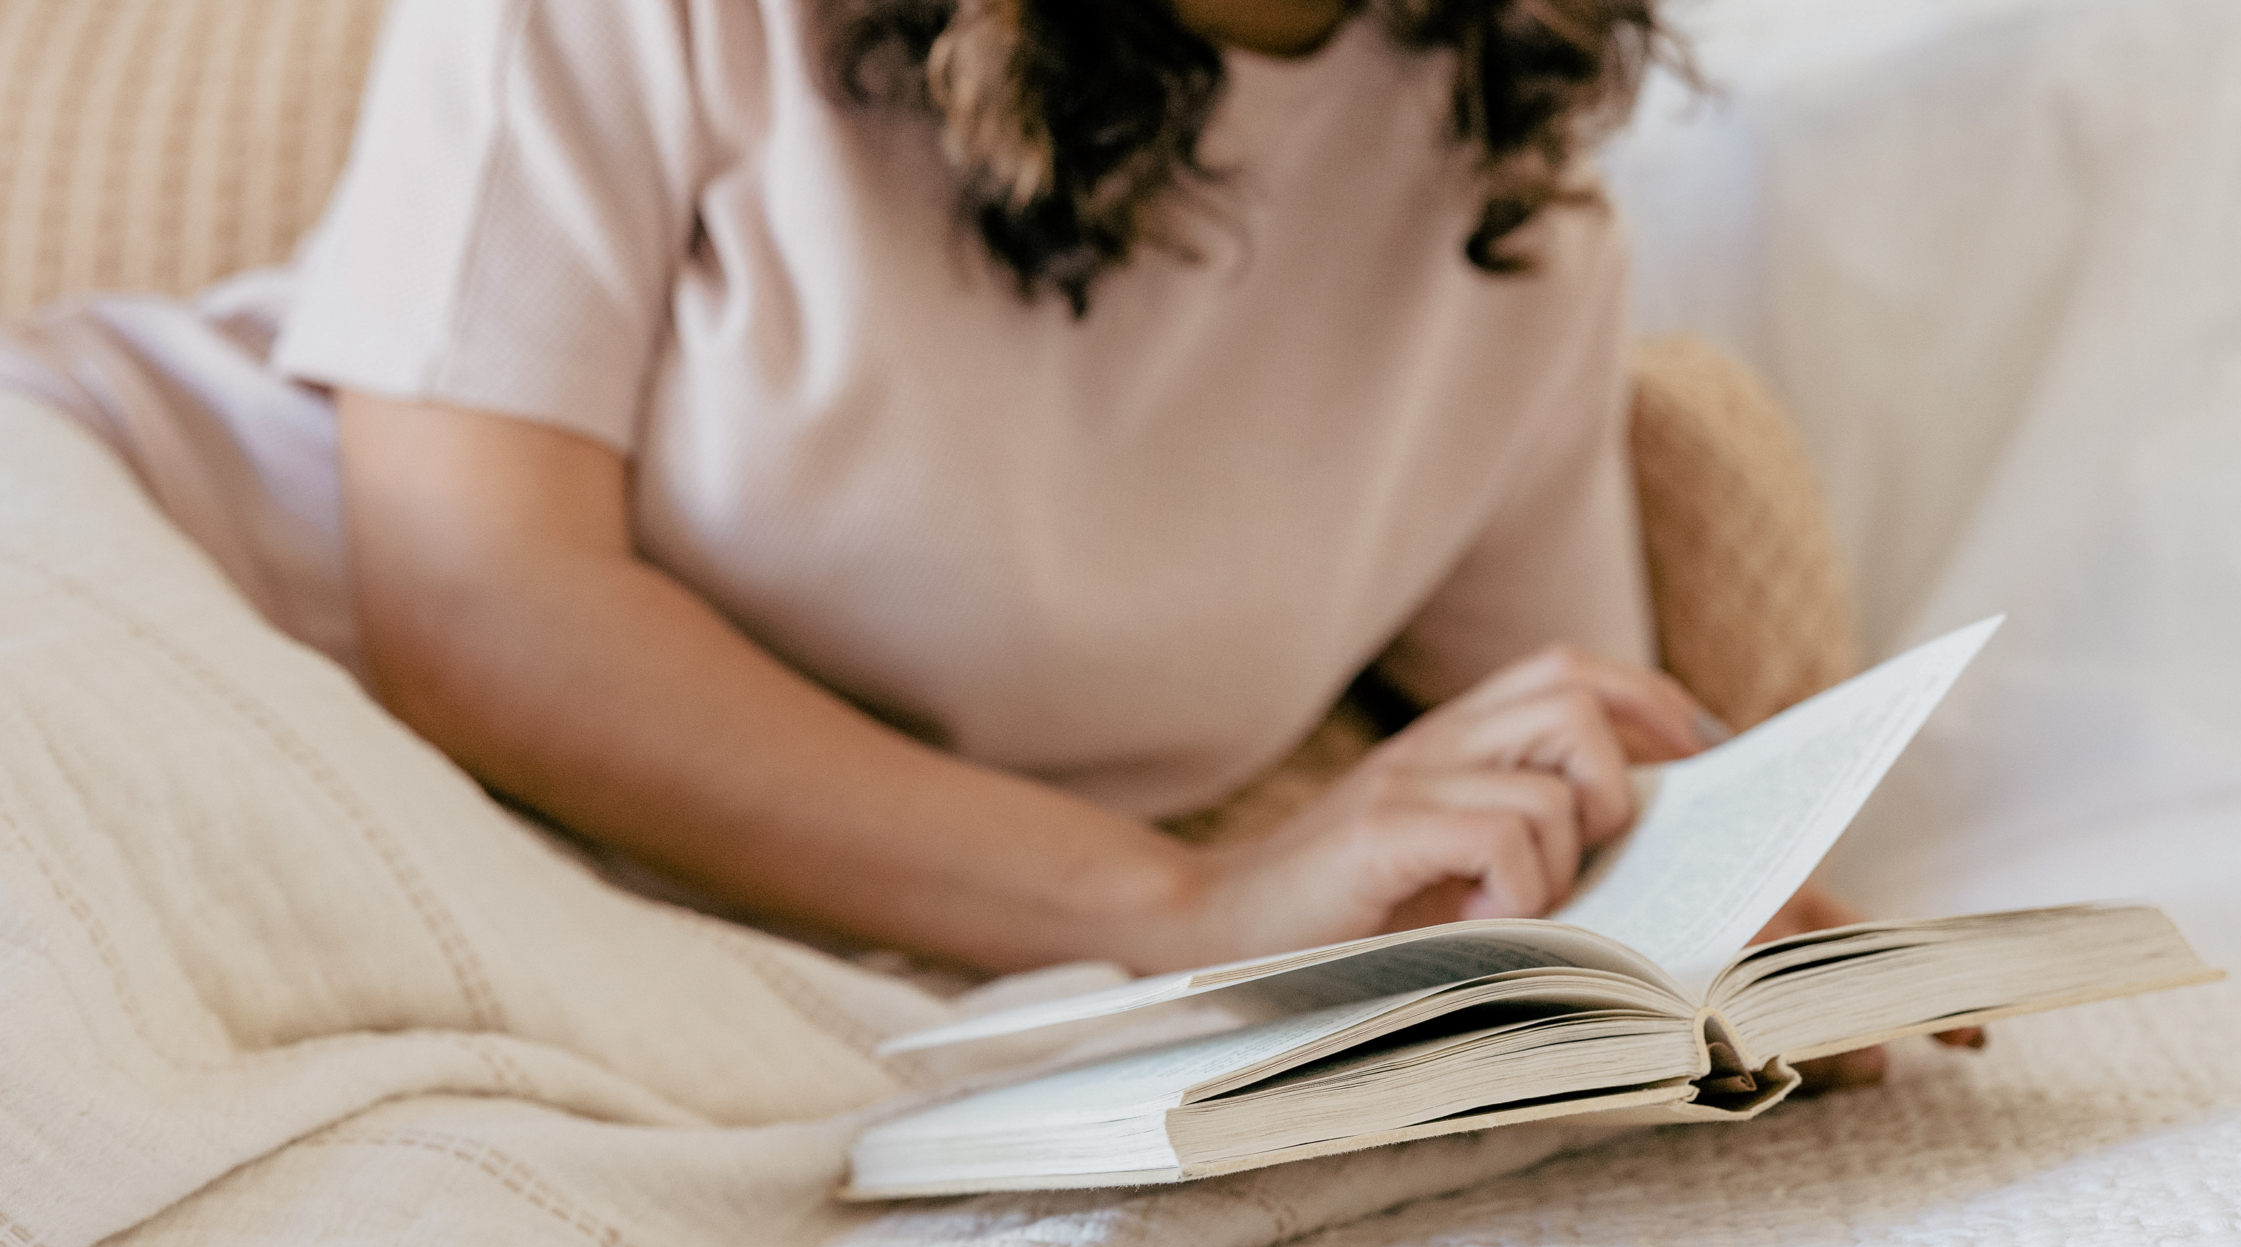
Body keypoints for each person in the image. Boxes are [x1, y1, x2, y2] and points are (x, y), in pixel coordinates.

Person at [7, 0, 1962, 1077]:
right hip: (145, 584)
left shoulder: (1508, 232)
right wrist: (1177, 905)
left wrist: (1691, 931)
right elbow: (474, 604)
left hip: (653, 955)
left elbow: (1543, 770)